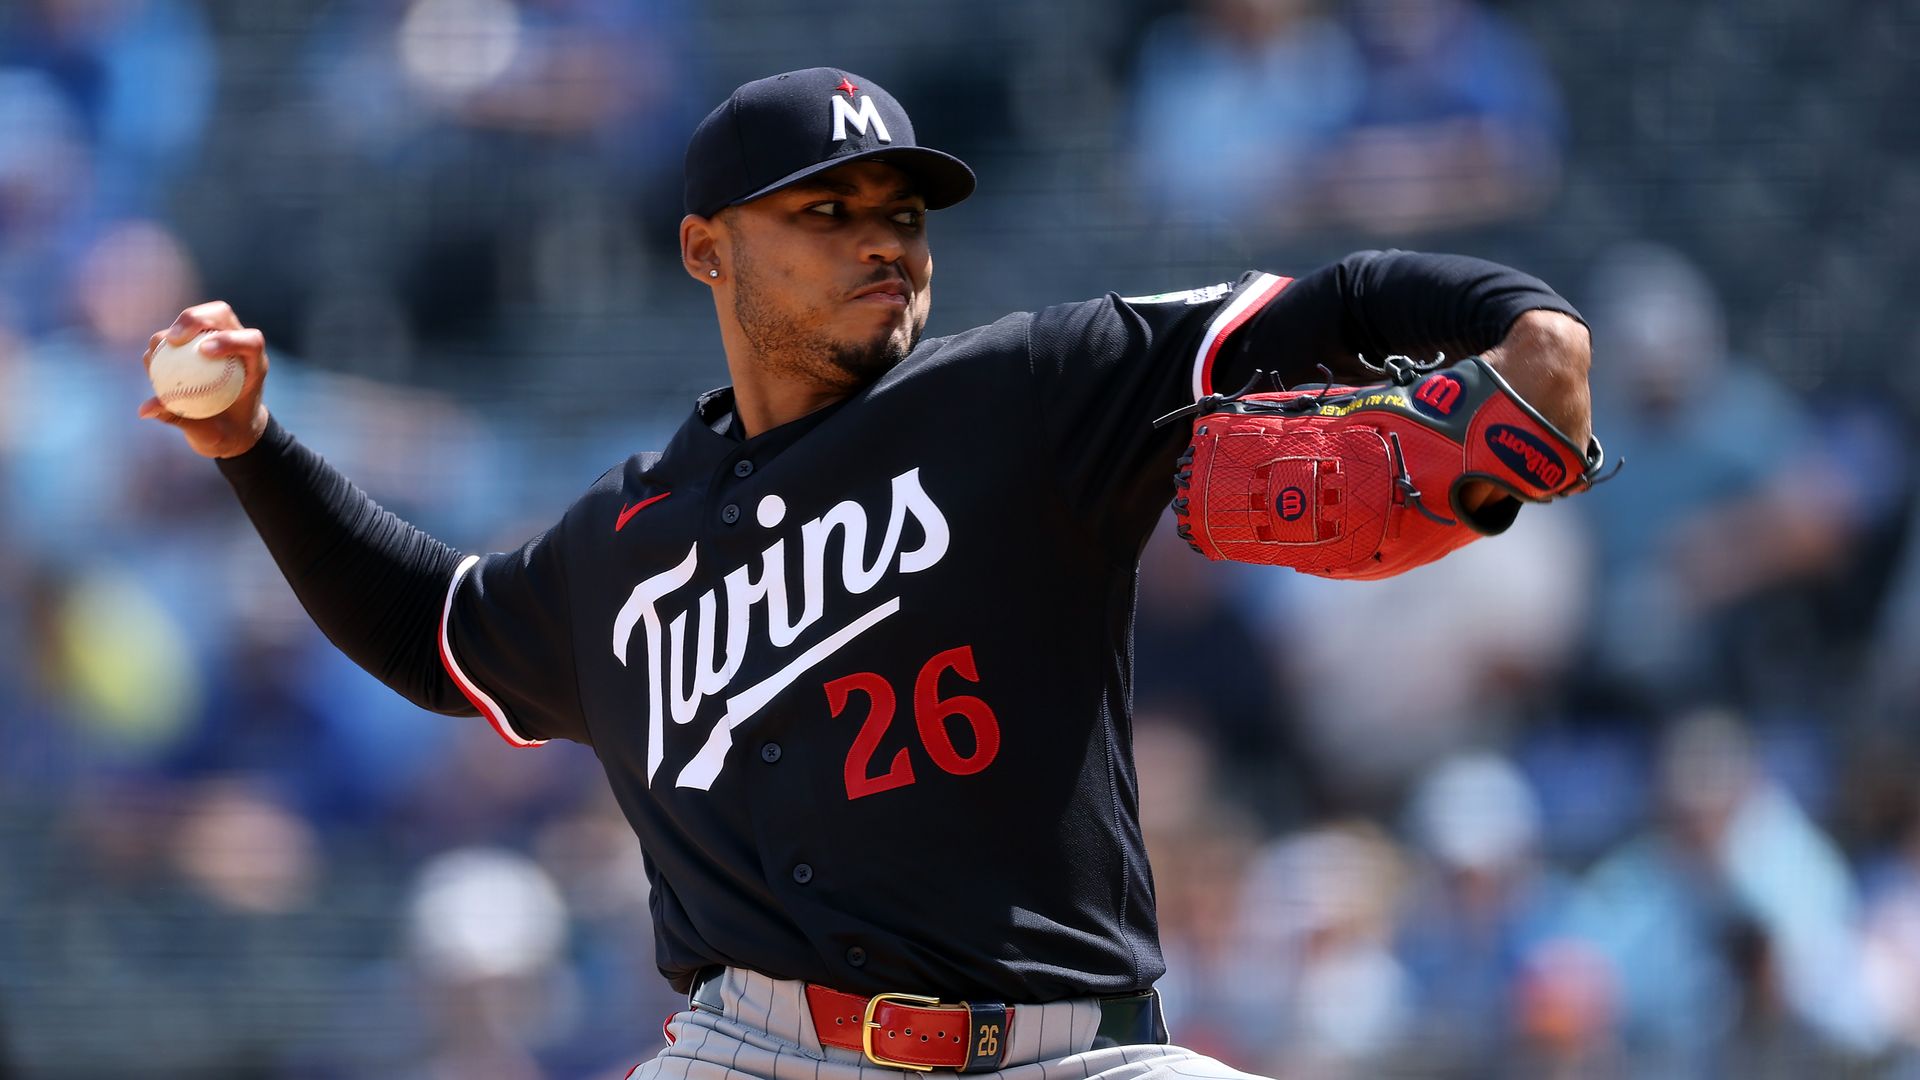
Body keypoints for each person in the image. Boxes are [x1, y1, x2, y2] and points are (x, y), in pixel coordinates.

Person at [138, 68, 1593, 1079]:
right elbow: (432, 628)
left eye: (899, 211)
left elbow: (1321, 307)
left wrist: (1522, 321)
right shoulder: (624, 543)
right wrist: (249, 441)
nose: (882, 242)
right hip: (751, 1054)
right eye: (823, 214)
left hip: (1070, 1051)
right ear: (709, 250)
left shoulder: (1036, 389)